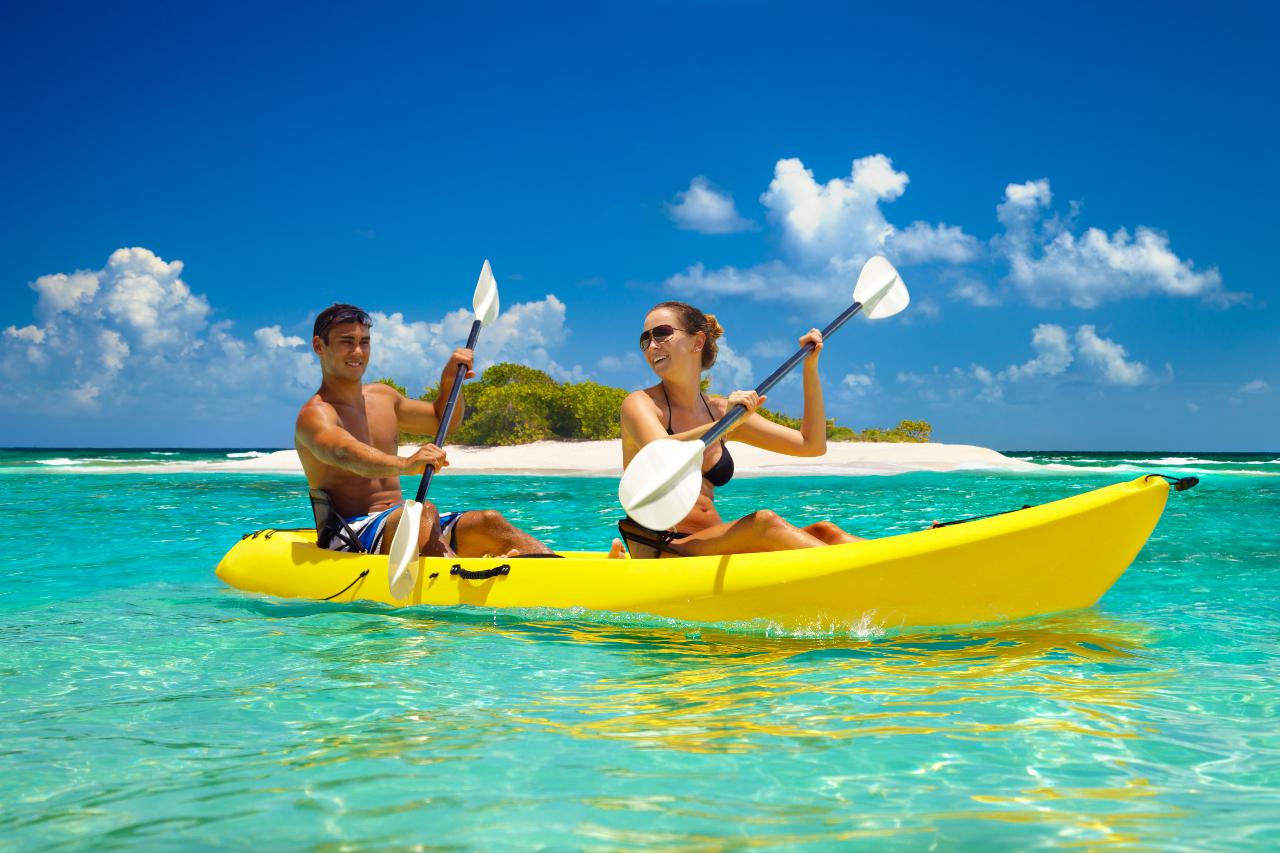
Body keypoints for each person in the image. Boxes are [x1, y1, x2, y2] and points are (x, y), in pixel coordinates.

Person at [295, 303, 552, 557]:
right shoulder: (315, 415)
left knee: (489, 521)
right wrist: (405, 464)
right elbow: (344, 453)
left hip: (404, 522)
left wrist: (450, 382)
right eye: (346, 342)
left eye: (365, 341)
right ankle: (453, 578)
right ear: (319, 346)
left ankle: (552, 574)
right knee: (422, 513)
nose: (358, 351)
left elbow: (444, 421)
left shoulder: (384, 397)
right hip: (350, 531)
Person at [619, 300, 862, 557]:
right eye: (645, 339)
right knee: (763, 523)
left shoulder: (723, 412)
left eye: (662, 333)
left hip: (710, 544)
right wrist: (725, 425)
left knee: (827, 532)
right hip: (664, 547)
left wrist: (810, 367)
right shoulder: (640, 404)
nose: (652, 345)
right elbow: (660, 450)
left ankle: (892, 566)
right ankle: (860, 574)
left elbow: (812, 445)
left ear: (697, 342)